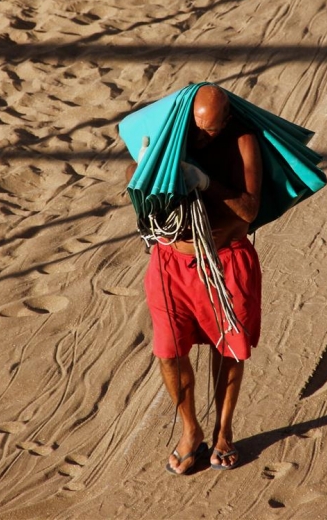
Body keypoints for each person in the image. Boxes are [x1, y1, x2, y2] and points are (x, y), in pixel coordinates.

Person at [127, 84, 263, 475]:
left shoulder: (242, 140)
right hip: (171, 262)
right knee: (168, 351)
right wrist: (144, 170)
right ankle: (191, 430)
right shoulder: (175, 131)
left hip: (225, 261)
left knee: (230, 349)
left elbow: (249, 209)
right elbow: (131, 169)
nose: (203, 137)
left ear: (227, 120)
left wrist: (205, 182)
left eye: (212, 130)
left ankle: (223, 433)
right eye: (198, 128)